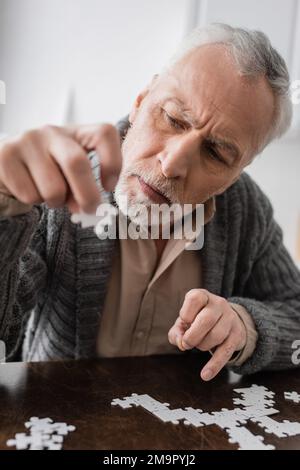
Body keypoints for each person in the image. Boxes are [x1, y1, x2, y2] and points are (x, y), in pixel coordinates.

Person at [0, 24, 299, 381]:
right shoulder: (55, 184)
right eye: (172, 118)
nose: (172, 164)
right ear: (141, 99)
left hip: (187, 434)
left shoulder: (246, 211)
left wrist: (246, 328)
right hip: (57, 421)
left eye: (217, 153)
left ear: (237, 173)